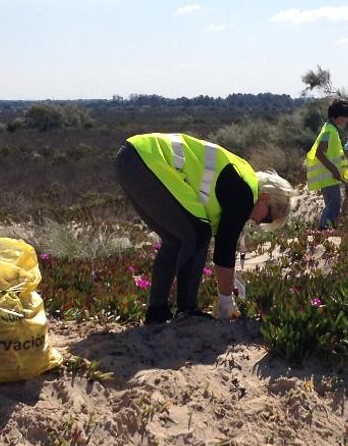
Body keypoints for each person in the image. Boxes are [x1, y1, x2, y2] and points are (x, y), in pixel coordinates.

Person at [114, 133, 293, 325]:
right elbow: (224, 251)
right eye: (267, 218)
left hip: (130, 158)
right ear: (264, 198)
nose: (259, 223)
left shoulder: (242, 179)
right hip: (146, 161)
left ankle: (157, 311)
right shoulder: (245, 194)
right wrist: (226, 301)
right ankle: (187, 310)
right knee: (199, 233)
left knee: (176, 240)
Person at [305, 98, 348, 229]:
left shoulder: (331, 129)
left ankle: (327, 231)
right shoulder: (328, 130)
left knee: (333, 204)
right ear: (336, 115)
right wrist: (334, 169)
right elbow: (319, 153)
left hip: (331, 176)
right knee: (333, 205)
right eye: (345, 117)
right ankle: (324, 232)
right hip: (328, 176)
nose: (346, 120)